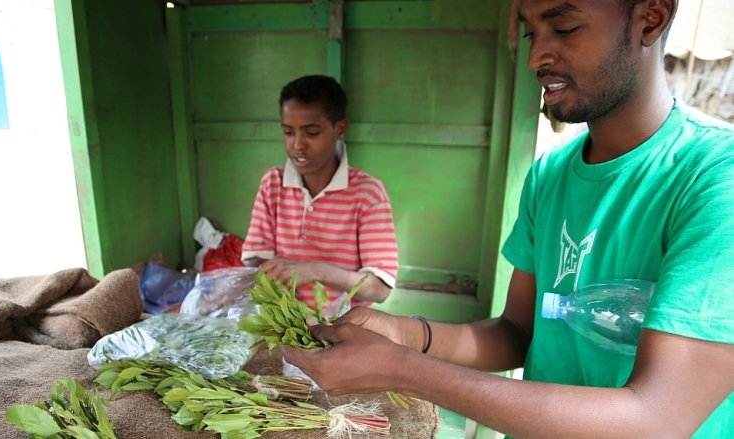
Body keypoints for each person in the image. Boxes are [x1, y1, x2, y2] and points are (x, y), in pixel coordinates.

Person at [281, 1, 734, 438]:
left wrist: (400, 368)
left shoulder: (715, 178)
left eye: (566, 27)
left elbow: (657, 419)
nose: (537, 54)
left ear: (650, 18)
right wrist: (405, 333)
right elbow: (517, 331)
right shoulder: (550, 175)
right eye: (531, 31)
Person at [241, 75, 399, 309]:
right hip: (286, 324)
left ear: (340, 128)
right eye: (288, 132)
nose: (297, 145)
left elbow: (380, 288)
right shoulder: (272, 184)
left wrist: (316, 270)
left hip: (347, 328)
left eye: (311, 133)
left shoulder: (367, 194)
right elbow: (257, 260)